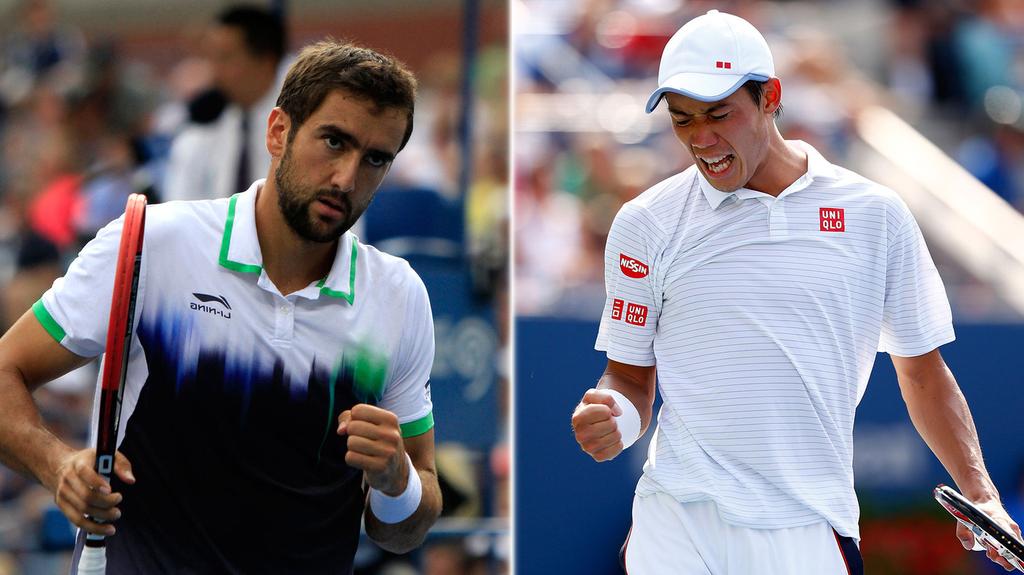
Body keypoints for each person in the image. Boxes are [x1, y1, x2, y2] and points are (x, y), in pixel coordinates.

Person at [570, 9, 1021, 574]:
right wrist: (617, 416)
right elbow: (630, 378)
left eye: (719, 114)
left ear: (771, 98)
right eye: (682, 120)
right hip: (677, 520)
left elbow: (923, 370)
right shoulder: (644, 223)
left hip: (808, 526)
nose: (700, 138)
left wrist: (981, 493)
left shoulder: (875, 215)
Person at [0, 39, 441, 573]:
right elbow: (7, 368)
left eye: (375, 158)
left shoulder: (399, 296)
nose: (347, 178)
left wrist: (398, 481)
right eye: (333, 141)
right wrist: (58, 464)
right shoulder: (150, 244)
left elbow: (404, 530)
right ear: (279, 131)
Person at [162, 5, 285, 202]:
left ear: (266, 61)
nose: (214, 71)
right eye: (211, 58)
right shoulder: (202, 126)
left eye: (225, 58)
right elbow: (180, 207)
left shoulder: (303, 120)